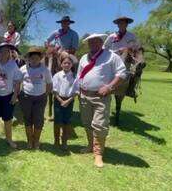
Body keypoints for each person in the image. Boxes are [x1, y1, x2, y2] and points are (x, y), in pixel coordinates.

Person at [77, 33, 127, 168]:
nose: (92, 44)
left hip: (101, 97)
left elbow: (122, 73)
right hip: (84, 95)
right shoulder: (83, 58)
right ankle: (90, 146)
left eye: (95, 41)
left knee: (99, 125)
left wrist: (109, 87)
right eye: (90, 42)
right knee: (87, 122)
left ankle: (98, 154)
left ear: (101, 42)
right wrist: (78, 91)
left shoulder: (111, 56)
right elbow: (79, 76)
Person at [0, 42, 22, 149]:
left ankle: (9, 139)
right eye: (1, 51)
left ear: (9, 53)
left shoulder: (13, 65)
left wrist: (15, 95)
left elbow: (17, 81)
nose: (3, 53)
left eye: (6, 51)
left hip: (8, 95)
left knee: (8, 118)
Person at [19, 47, 52, 149]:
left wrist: (45, 95)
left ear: (40, 58)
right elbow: (18, 82)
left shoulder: (45, 69)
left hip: (40, 98)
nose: (34, 60)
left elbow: (49, 84)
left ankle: (36, 141)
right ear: (28, 58)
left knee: (38, 120)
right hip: (26, 97)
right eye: (32, 57)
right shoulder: (23, 69)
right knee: (27, 119)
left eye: (37, 57)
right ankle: (29, 141)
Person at [52, 52, 78, 150]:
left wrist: (67, 101)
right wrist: (60, 100)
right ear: (61, 64)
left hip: (69, 100)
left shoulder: (75, 77)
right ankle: (56, 141)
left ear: (72, 65)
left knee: (67, 121)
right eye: (65, 63)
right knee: (57, 121)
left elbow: (76, 92)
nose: (66, 65)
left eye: (69, 63)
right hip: (58, 100)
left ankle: (64, 142)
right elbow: (54, 90)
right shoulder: (57, 75)